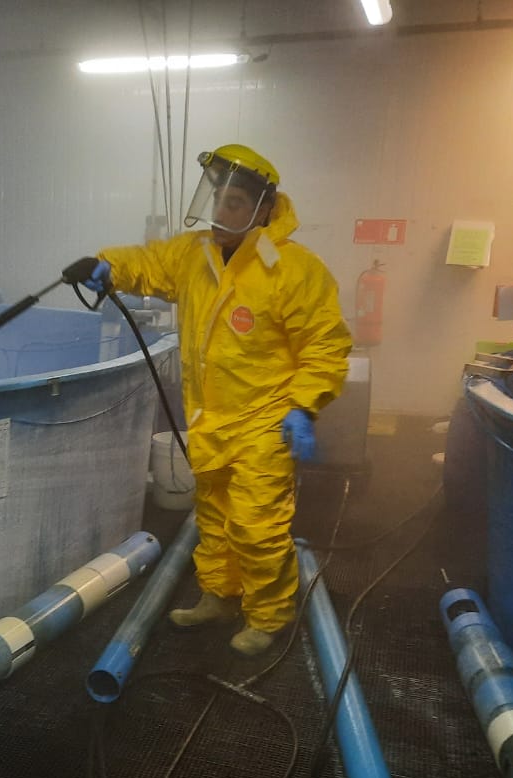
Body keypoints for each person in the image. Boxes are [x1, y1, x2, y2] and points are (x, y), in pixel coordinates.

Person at [81, 144, 352, 656]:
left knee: (256, 524)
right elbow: (147, 263)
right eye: (218, 199)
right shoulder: (194, 255)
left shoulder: (293, 269)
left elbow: (325, 344)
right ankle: (218, 596)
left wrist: (302, 405)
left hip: (266, 420)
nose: (221, 212)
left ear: (264, 209)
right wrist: (106, 266)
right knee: (214, 515)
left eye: (234, 203)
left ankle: (268, 616)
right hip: (211, 417)